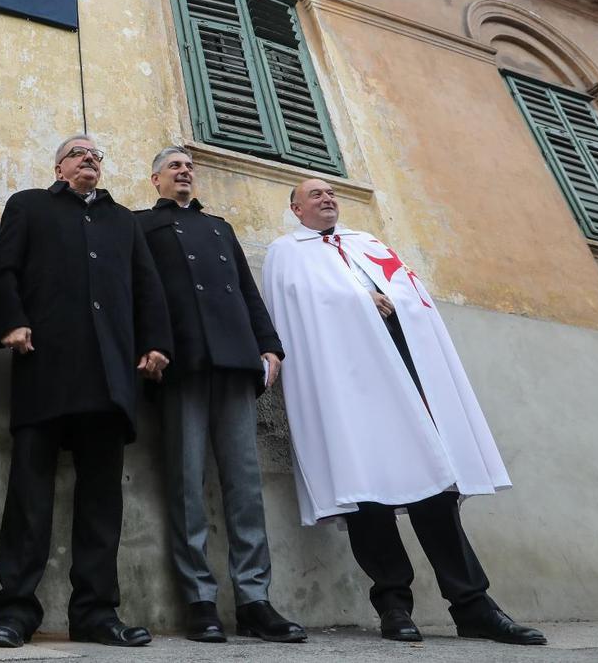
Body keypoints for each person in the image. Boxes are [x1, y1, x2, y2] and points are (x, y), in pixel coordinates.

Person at [262, 177, 546, 646]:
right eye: (315, 194)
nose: (327, 198)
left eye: (331, 192)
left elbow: (410, 290)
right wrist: (359, 300)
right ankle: (394, 606)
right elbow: (297, 312)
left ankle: (473, 605)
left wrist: (391, 301)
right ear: (296, 209)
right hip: (348, 387)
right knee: (368, 496)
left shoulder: (367, 243)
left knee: (435, 489)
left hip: (406, 375)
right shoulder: (287, 253)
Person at [0, 134, 171, 650]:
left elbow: (147, 287)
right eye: (78, 153)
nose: (89, 159)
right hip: (44, 365)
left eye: (96, 155)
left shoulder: (123, 221)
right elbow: (3, 271)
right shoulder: (28, 205)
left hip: (110, 376)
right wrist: (12, 322)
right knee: (29, 494)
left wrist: (156, 344)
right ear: (59, 165)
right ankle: (15, 612)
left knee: (102, 502)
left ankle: (95, 613)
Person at [135, 146, 305, 643]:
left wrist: (270, 346)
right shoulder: (141, 225)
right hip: (180, 362)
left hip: (234, 361)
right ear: (155, 179)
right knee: (186, 483)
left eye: (190, 166)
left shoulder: (220, 228)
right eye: (174, 166)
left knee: (244, 486)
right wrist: (149, 347)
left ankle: (255, 601)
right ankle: (199, 600)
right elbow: (139, 292)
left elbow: (247, 291)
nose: (185, 171)